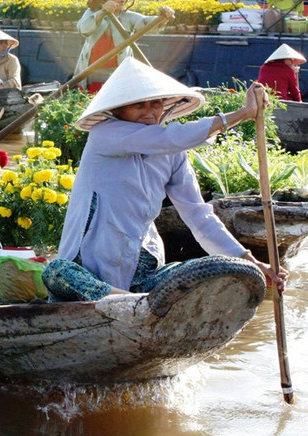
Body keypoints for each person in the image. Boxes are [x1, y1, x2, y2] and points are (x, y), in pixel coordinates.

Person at [41, 56, 287, 301]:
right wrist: (242, 113)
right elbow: (171, 137)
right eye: (139, 106)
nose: (149, 113)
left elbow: (198, 214)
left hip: (144, 270)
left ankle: (140, 304)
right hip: (90, 268)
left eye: (156, 104)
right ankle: (131, 304)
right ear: (117, 110)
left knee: (210, 269)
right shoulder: (104, 134)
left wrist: (250, 261)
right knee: (56, 271)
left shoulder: (173, 154)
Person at [74, 0, 173, 93]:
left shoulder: (128, 17)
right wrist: (102, 13)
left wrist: (162, 17)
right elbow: (83, 29)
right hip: (91, 71)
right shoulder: (92, 13)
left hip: (118, 72)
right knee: (89, 101)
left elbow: (145, 23)